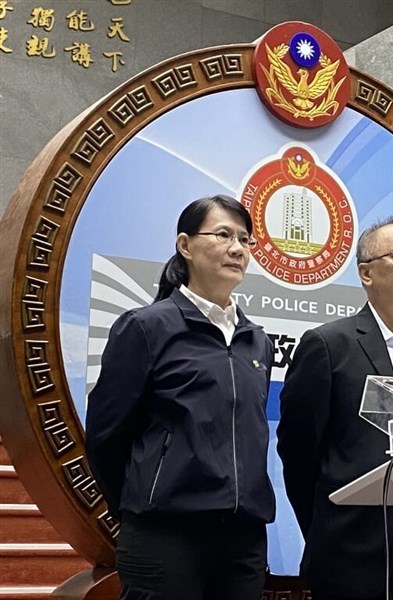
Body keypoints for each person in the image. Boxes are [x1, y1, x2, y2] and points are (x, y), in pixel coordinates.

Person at [85, 194, 276, 600]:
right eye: (223, 234)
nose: (237, 249)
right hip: (164, 534)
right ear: (185, 245)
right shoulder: (145, 328)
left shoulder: (256, 340)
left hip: (243, 536)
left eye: (245, 240)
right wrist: (143, 503)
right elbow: (106, 435)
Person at [277, 215, 393, 600]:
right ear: (366, 274)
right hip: (355, 551)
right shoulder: (328, 346)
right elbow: (299, 455)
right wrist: (329, 530)